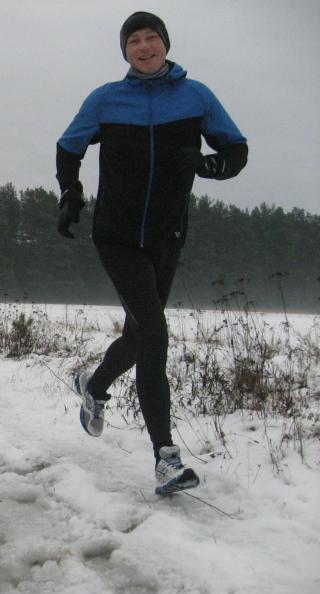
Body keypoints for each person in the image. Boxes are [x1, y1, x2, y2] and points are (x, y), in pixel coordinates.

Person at [55, 12, 248, 494]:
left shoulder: (196, 96)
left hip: (166, 236)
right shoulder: (106, 99)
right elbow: (68, 147)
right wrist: (70, 192)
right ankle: (166, 457)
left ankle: (94, 386)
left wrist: (208, 165)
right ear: (125, 51)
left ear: (165, 43)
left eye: (151, 37)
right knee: (155, 334)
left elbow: (236, 150)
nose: (143, 46)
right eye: (134, 41)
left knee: (140, 335)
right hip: (116, 235)